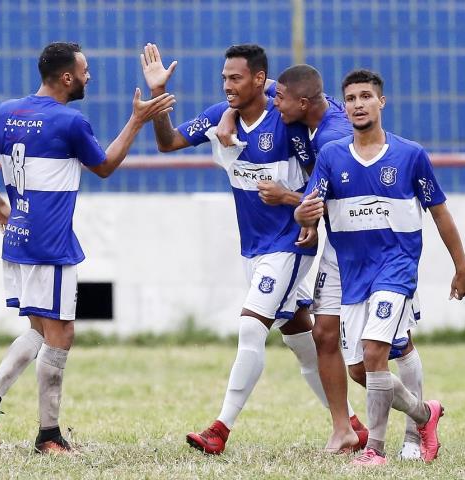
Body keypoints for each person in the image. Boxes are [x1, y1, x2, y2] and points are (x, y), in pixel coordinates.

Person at [0, 42, 175, 454]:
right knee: (61, 336)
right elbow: (105, 166)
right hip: (50, 245)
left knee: (40, 330)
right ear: (67, 78)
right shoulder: (69, 121)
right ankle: (48, 436)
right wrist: (135, 121)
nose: (89, 76)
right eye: (85, 70)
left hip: (18, 239)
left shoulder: (7, 111)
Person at [140, 42, 336, 455]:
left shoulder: (288, 118)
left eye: (236, 78)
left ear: (260, 80)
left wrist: (302, 207)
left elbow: (324, 113)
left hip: (290, 244)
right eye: (225, 78)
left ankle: (219, 430)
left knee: (250, 327)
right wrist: (159, 95)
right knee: (303, 341)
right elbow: (169, 142)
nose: (228, 86)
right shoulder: (218, 117)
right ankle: (353, 424)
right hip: (254, 249)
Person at [221, 64, 425, 458]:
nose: (272, 102)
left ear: (301, 102)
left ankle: (415, 427)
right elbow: (261, 93)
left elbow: (337, 198)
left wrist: (289, 199)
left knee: (391, 348)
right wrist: (230, 112)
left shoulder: (333, 136)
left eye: (277, 98)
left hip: (378, 250)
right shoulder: (310, 108)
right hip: (337, 248)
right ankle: (345, 430)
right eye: (351, 98)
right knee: (328, 339)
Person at [295, 69, 465, 466]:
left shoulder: (410, 155)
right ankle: (425, 415)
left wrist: (461, 266)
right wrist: (304, 216)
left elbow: (440, 212)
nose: (359, 104)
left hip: (395, 267)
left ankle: (375, 447)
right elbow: (309, 208)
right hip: (352, 272)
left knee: (377, 351)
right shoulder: (332, 156)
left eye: (366, 96)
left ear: (381, 102)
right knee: (361, 369)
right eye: (352, 98)